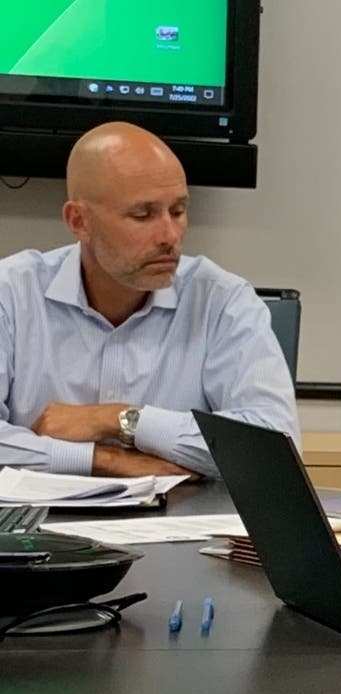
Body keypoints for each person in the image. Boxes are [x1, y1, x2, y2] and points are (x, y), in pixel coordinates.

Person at [0, 121, 299, 478]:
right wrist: (107, 460)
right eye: (142, 215)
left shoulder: (221, 300)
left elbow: (273, 450)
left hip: (182, 526)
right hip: (38, 528)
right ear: (78, 221)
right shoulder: (12, 292)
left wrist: (120, 419)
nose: (170, 236)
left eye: (178, 211)